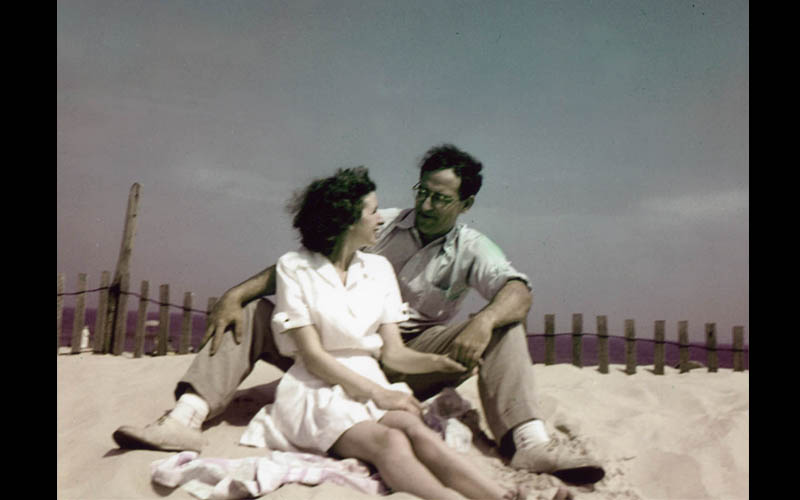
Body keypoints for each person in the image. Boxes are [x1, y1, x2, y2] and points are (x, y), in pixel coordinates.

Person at [113, 144, 604, 487]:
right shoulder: (380, 221)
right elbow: (299, 264)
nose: (426, 204)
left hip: (409, 353)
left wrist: (480, 321)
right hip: (331, 347)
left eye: (441, 198)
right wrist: (233, 294)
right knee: (252, 311)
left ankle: (528, 441)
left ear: (466, 203)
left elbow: (516, 290)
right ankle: (186, 417)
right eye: (422, 191)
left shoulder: (474, 248)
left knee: (504, 324)